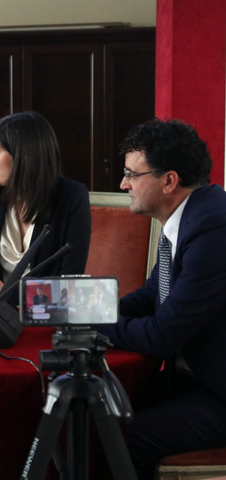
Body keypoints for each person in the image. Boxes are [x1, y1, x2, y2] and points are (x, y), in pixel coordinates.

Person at [97, 118, 226, 479]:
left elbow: (162, 335)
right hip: (193, 380)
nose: (123, 184)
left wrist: (94, 324)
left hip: (217, 394)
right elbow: (154, 293)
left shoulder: (213, 227)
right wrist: (93, 309)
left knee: (123, 437)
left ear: (169, 181)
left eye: (131, 175)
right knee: (93, 411)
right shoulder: (190, 216)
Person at [0, 111, 91, 293]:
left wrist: (7, 294)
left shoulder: (72, 197)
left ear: (23, 155)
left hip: (44, 310)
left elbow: (68, 285)